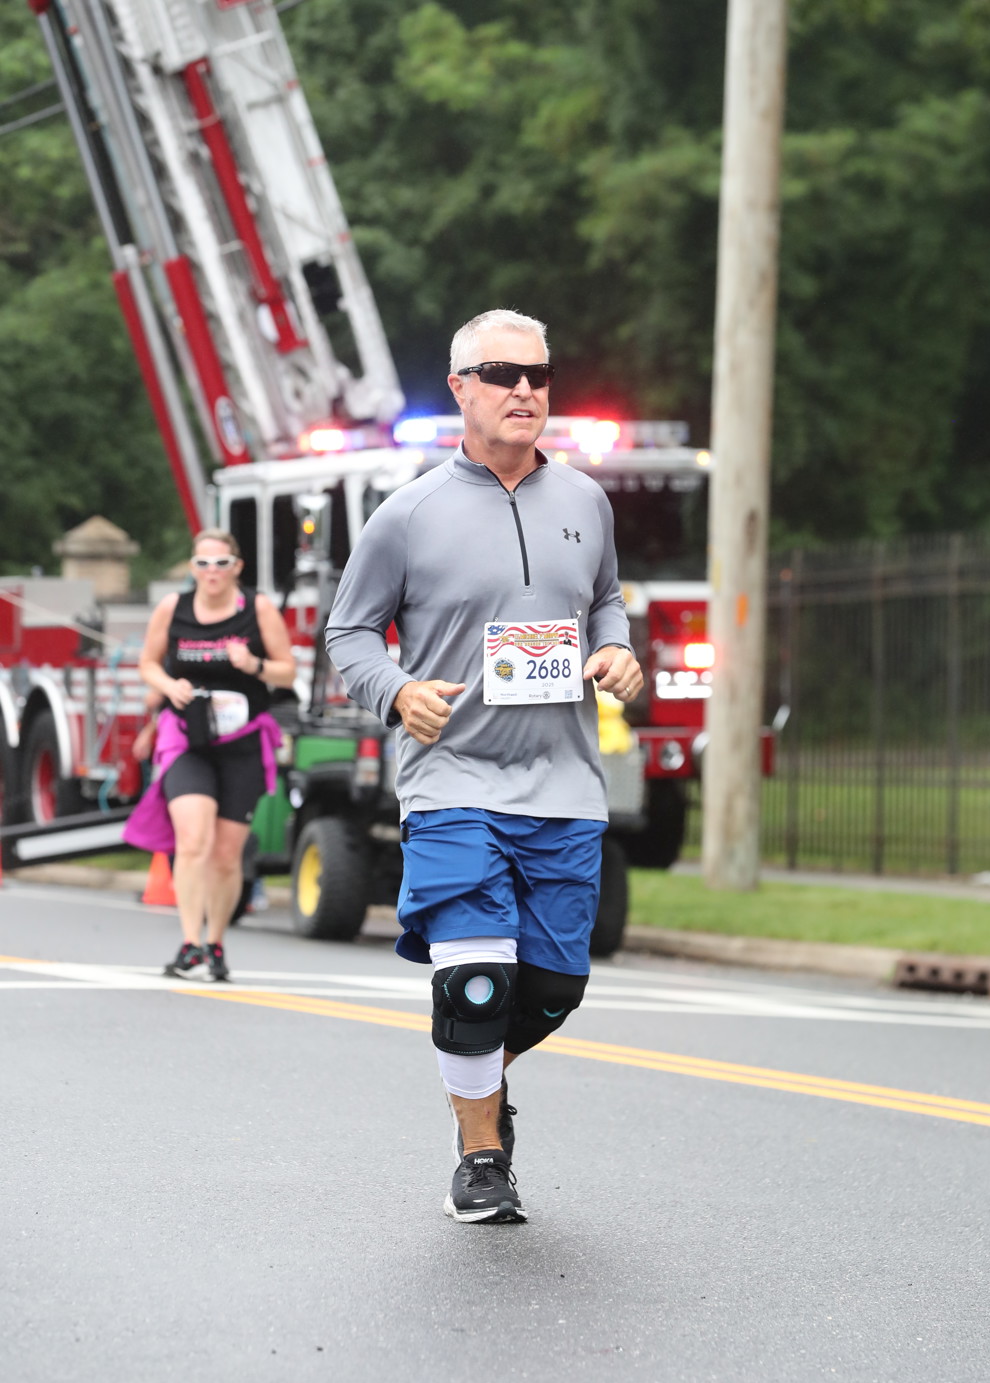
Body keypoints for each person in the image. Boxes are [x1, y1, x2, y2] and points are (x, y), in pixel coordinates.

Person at [326, 309, 642, 1223]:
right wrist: (396, 692)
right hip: (452, 781)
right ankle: (480, 1157)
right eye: (502, 374)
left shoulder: (585, 500)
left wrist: (617, 649)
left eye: (539, 375)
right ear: (460, 387)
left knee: (552, 990)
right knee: (474, 986)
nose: (525, 390)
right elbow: (349, 632)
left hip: (564, 786)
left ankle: (475, 1079)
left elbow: (606, 601)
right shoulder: (409, 513)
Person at [128, 528, 295, 981]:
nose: (212, 572)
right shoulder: (173, 608)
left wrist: (254, 665)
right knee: (193, 840)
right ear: (192, 568)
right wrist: (170, 686)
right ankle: (189, 944)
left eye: (221, 563)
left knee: (225, 854)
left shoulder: (257, 608)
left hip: (242, 742)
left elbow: (287, 670)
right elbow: (147, 663)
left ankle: (215, 943)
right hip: (188, 739)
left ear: (237, 567)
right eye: (203, 564)